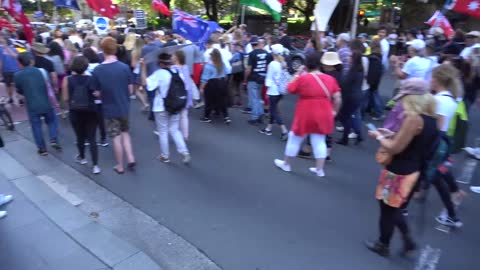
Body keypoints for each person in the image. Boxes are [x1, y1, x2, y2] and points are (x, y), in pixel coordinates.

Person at [365, 78, 438, 257]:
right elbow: (413, 141)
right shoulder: (430, 119)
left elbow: (395, 147)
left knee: (387, 207)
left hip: (399, 169)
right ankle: (407, 240)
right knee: (395, 207)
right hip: (414, 168)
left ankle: (383, 244)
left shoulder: (413, 119)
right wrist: (390, 133)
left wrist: (378, 137)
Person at [274, 52, 341, 177]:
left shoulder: (304, 78)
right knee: (320, 140)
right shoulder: (331, 79)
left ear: (306, 65)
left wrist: (298, 73)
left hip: (305, 112)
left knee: (294, 138)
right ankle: (319, 169)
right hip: (324, 112)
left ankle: (286, 164)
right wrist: (334, 111)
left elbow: (289, 88)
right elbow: (337, 98)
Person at [90, 37, 136, 174]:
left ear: (102, 50)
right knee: (125, 133)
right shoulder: (124, 67)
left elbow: (96, 93)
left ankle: (120, 166)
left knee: (116, 137)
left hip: (109, 108)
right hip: (124, 106)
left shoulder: (98, 70)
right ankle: (131, 158)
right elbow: (130, 90)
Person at [430, 64, 465, 227]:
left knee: (435, 177)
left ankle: (452, 214)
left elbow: (437, 125)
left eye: (432, 78)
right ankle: (454, 197)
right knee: (440, 172)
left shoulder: (439, 101)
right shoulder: (451, 98)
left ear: (437, 80)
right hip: (443, 141)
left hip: (434, 142)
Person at [142, 53, 191, 164]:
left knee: (163, 131)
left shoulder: (159, 74)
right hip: (176, 104)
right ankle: (184, 151)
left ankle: (165, 156)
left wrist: (143, 67)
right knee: (174, 129)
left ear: (160, 63)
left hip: (161, 106)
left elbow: (146, 84)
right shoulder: (177, 72)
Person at [14, 52, 61, 155]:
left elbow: (20, 91)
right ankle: (53, 138)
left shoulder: (17, 75)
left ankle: (42, 149)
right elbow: (47, 86)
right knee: (52, 121)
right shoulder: (41, 71)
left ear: (20, 63)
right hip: (46, 102)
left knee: (36, 127)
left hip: (32, 105)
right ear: (31, 61)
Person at [62, 56, 101, 174]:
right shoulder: (91, 78)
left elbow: (65, 98)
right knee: (92, 138)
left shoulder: (67, 79)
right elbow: (97, 94)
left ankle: (82, 157)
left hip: (75, 111)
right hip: (91, 111)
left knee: (79, 136)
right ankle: (95, 165)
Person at [259, 44, 289, 140]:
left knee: (273, 111)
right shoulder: (283, 63)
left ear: (273, 53)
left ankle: (284, 130)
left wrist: (267, 92)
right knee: (274, 109)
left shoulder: (272, 64)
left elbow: (268, 79)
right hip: (281, 90)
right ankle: (268, 129)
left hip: (273, 91)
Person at [337, 51, 364, 145]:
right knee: (350, 116)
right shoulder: (360, 69)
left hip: (350, 97)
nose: (348, 58)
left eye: (350, 56)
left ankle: (345, 139)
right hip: (358, 95)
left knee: (344, 116)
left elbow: (345, 83)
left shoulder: (353, 70)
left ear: (353, 58)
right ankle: (358, 134)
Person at [83, 48, 108, 147]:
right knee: (101, 119)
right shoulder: (100, 66)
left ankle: (88, 139)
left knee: (89, 119)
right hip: (101, 97)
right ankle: (103, 139)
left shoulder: (85, 67)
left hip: (89, 97)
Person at [245, 37, 272, 125]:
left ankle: (254, 117)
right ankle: (260, 115)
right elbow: (268, 67)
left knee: (254, 98)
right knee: (259, 98)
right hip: (263, 77)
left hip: (253, 77)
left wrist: (245, 79)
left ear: (252, 45)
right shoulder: (267, 53)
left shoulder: (252, 54)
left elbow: (248, 69)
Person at [200, 49, 230, 124]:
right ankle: (225, 116)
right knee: (222, 100)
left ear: (212, 56)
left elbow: (204, 79)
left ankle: (207, 117)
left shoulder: (208, 66)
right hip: (222, 82)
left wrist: (201, 87)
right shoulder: (222, 64)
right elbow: (226, 73)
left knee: (209, 101)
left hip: (212, 84)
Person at [173, 50, 194, 140]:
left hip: (177, 93)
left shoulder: (173, 68)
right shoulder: (186, 67)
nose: (171, 57)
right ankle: (185, 135)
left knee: (174, 115)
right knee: (184, 115)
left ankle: (174, 133)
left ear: (177, 57)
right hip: (187, 92)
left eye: (173, 56)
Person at [130, 37, 150, 110]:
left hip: (136, 72)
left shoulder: (134, 52)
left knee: (136, 90)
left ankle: (145, 103)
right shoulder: (145, 51)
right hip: (144, 71)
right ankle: (146, 102)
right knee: (144, 88)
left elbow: (133, 65)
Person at [0, 38, 20, 105]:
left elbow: (1, 62)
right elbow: (20, 58)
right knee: (17, 85)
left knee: (8, 85)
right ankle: (20, 98)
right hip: (16, 69)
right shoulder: (16, 48)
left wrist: (1, 72)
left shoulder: (1, 50)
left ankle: (10, 98)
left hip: (6, 70)